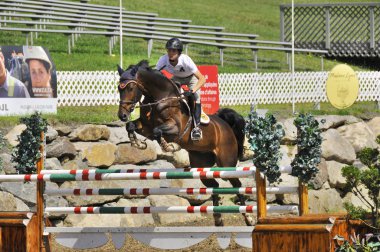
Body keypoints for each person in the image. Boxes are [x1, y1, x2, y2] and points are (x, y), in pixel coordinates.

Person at [156, 38, 206, 141]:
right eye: (169, 50)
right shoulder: (163, 60)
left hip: (191, 78)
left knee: (196, 97)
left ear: (179, 52)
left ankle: (196, 128)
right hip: (176, 78)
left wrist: (192, 91)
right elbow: (155, 74)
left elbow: (202, 79)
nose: (170, 53)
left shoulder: (186, 60)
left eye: (173, 51)